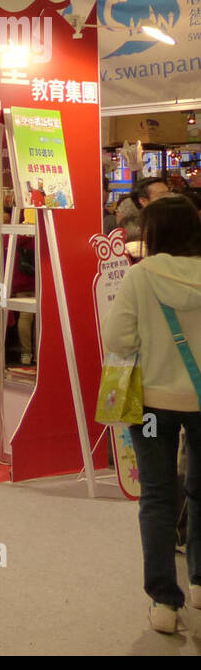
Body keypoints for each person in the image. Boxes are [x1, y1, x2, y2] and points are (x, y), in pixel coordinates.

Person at [103, 195, 201, 634]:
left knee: (158, 498)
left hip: (151, 404)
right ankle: (200, 584)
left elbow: (118, 339)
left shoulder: (141, 276)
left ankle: (164, 601)